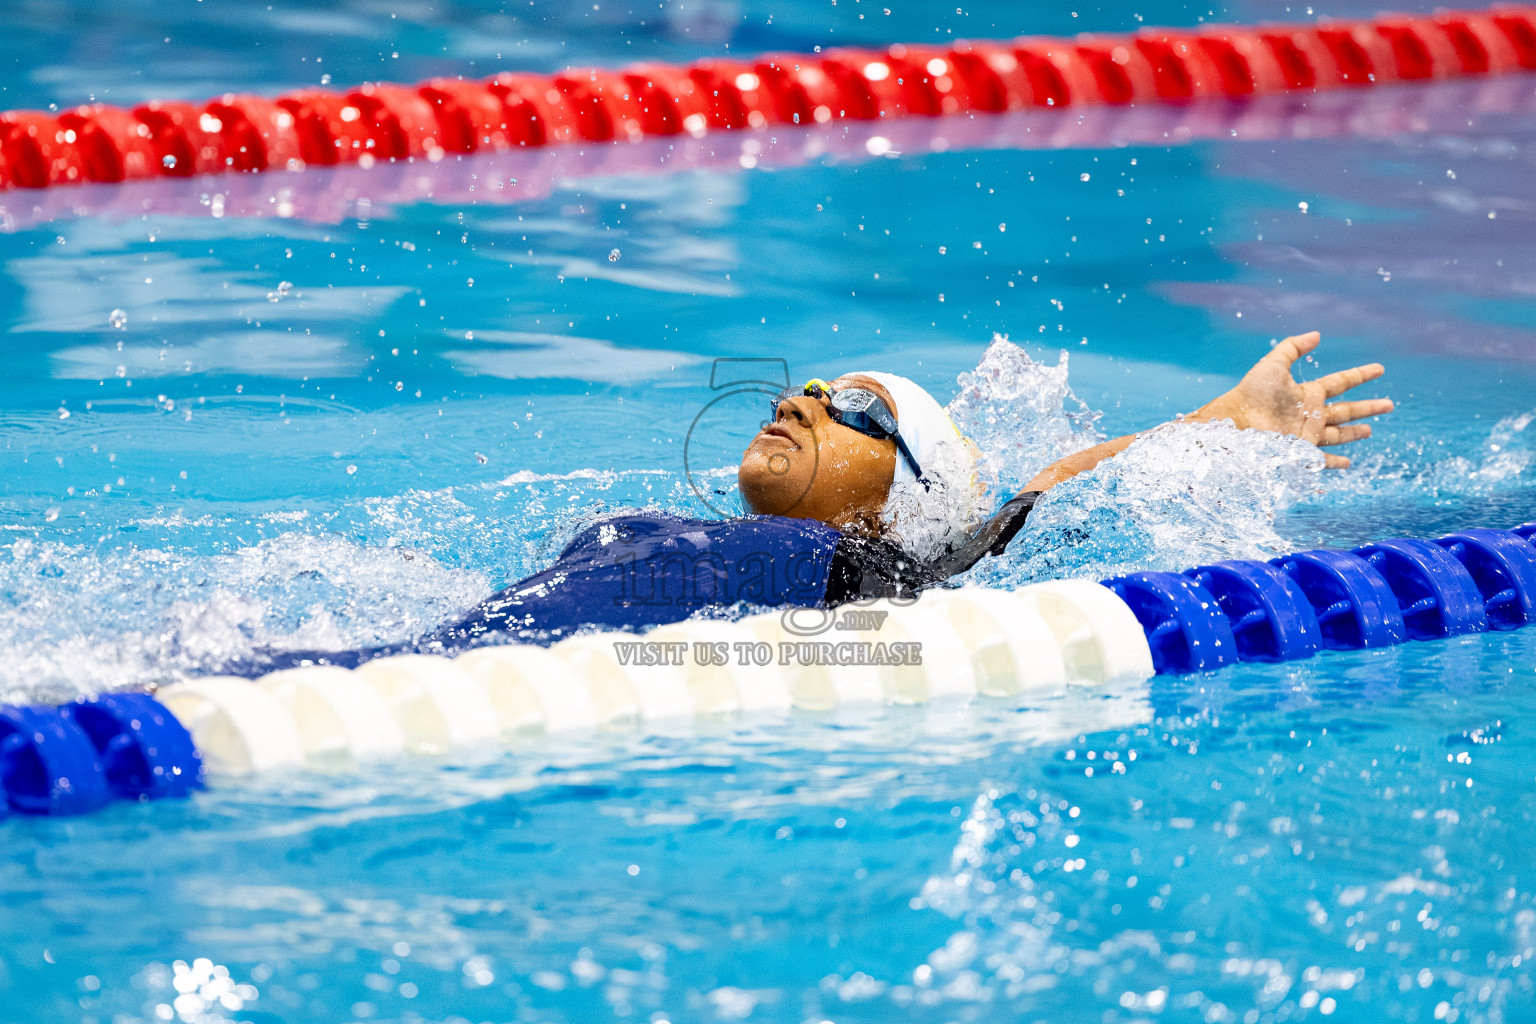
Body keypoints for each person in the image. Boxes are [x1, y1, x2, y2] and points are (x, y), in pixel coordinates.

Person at [250, 331, 1391, 672]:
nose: (804, 397)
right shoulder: (681, 537)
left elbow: (1030, 507)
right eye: (810, 384)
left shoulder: (861, 575)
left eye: (856, 408)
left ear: (896, 509)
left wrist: (1224, 424)